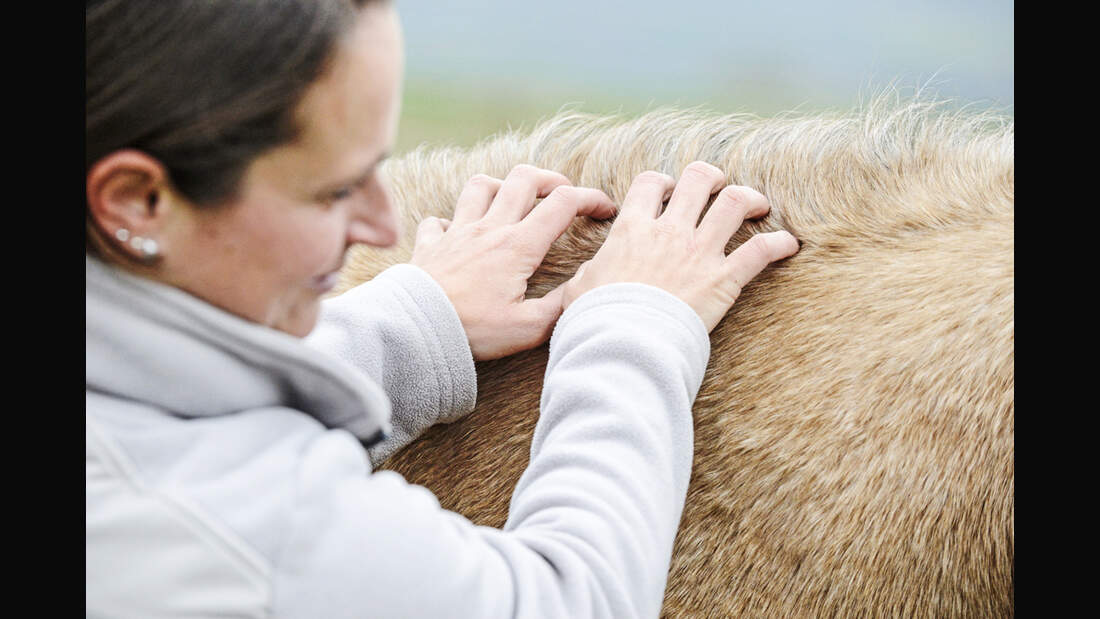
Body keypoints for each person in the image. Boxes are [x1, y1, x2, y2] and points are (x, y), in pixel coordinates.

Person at [84, 0, 800, 616]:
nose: (382, 228)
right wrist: (634, 322)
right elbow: (569, 603)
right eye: (334, 190)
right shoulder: (246, 525)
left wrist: (410, 327)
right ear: (137, 201)